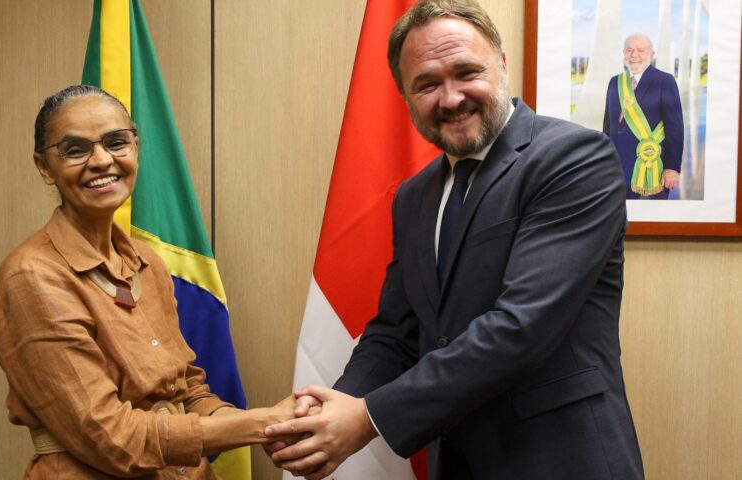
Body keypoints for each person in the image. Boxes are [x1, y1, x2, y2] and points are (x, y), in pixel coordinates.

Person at [264, 1, 644, 479]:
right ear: (405, 95)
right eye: (426, 83)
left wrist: (366, 418)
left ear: (502, 65)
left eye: (466, 72)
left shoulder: (573, 158)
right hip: (457, 463)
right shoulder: (413, 196)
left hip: (562, 459)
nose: (450, 97)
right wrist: (334, 405)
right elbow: (395, 332)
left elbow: (520, 328)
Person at [0, 85, 297, 479]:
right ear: (44, 167)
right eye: (76, 149)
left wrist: (275, 427)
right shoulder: (32, 276)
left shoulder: (146, 262)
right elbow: (111, 438)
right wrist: (260, 424)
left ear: (135, 149)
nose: (102, 160)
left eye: (117, 142)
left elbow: (188, 391)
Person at [603, 33, 683, 199]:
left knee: (653, 221)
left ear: (651, 55)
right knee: (620, 220)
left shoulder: (664, 80)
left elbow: (675, 128)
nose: (634, 55)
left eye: (641, 50)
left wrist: (672, 167)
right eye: (629, 50)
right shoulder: (614, 82)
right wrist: (602, 160)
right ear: (624, 53)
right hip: (616, 168)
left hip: (652, 165)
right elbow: (608, 126)